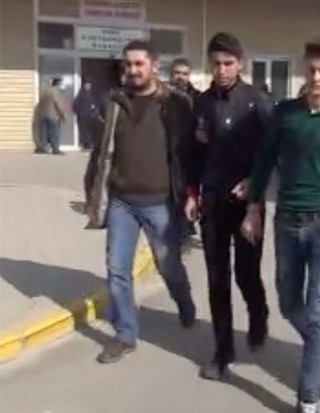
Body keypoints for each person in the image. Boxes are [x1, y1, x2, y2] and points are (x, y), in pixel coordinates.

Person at [240, 37, 320, 413]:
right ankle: (318, 344)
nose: (316, 77)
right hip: (288, 221)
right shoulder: (285, 114)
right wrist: (253, 208)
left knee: (319, 309)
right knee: (288, 302)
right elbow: (264, 161)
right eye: (311, 70)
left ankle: (307, 398)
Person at [84, 39, 196, 364]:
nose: (132, 70)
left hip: (160, 202)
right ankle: (126, 334)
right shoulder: (114, 103)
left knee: (168, 266)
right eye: (128, 65)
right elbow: (101, 152)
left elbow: (188, 154)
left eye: (138, 64)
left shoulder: (175, 104)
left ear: (153, 66)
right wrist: (93, 192)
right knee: (117, 269)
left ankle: (184, 300)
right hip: (122, 202)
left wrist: (191, 193)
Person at [184, 32, 271, 380]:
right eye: (216, 63)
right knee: (217, 279)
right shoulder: (202, 104)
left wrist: (254, 185)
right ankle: (223, 351)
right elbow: (192, 154)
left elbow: (270, 155)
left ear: (240, 64)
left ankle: (258, 316)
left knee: (246, 275)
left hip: (248, 205)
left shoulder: (257, 102)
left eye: (228, 63)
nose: (222, 70)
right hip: (213, 203)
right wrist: (192, 193)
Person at [168, 57, 201, 241]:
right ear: (171, 74)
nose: (181, 77)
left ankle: (185, 227)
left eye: (184, 74)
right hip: (168, 154)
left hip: (190, 154)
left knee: (188, 192)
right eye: (177, 73)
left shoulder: (198, 98)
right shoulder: (162, 96)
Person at [37, 77, 66, 154]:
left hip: (43, 115)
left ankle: (43, 148)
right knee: (55, 133)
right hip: (53, 115)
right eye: (61, 83)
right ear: (58, 84)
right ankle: (55, 149)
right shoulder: (56, 91)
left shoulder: (45, 91)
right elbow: (57, 104)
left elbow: (40, 102)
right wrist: (62, 115)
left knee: (44, 132)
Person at [72, 80, 99, 151]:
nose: (88, 86)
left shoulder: (92, 94)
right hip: (83, 116)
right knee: (83, 131)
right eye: (87, 85)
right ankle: (84, 145)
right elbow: (75, 104)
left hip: (90, 116)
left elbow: (95, 104)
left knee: (90, 131)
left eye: (89, 85)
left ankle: (89, 144)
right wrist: (78, 112)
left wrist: (95, 112)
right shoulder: (81, 94)